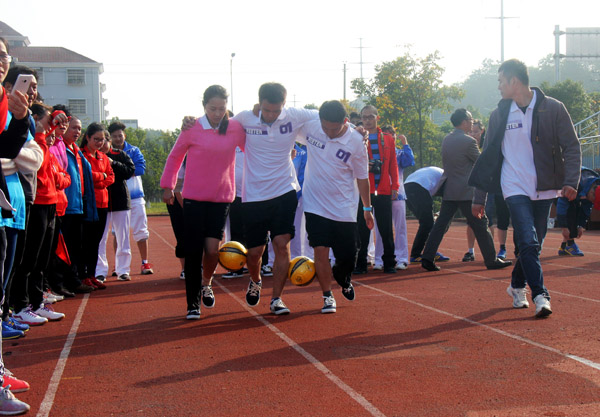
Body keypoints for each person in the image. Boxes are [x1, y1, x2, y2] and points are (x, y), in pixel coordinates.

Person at [469, 58, 581, 318]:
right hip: (513, 186)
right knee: (528, 241)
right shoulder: (499, 114)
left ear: (514, 81)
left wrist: (570, 181)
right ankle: (541, 295)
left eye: (501, 81)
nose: (499, 86)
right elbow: (489, 157)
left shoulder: (553, 108)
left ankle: (517, 285)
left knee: (534, 244)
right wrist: (479, 197)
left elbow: (572, 146)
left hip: (545, 187)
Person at [161, 85, 246, 320]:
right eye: (212, 108)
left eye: (221, 108)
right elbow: (175, 156)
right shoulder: (192, 127)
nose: (217, 113)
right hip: (194, 199)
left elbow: (254, 149)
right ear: (204, 107)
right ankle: (192, 303)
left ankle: (206, 282)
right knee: (193, 251)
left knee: (212, 251)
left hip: (221, 198)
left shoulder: (235, 128)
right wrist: (168, 185)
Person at [295, 100, 372, 313]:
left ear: (345, 121)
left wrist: (367, 209)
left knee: (348, 256)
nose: (328, 133)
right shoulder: (311, 127)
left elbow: (362, 178)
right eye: (325, 127)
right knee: (320, 250)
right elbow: (285, 122)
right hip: (315, 204)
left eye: (334, 129)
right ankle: (327, 296)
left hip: (344, 208)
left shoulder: (356, 141)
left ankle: (343, 277)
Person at [421, 108, 512, 272]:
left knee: (440, 225)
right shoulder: (469, 141)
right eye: (470, 120)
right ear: (463, 122)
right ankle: (491, 260)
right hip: (467, 191)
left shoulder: (447, 139)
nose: (472, 122)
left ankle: (427, 257)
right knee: (481, 224)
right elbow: (481, 163)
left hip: (450, 189)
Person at [0, 36, 32, 415]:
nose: (2, 60)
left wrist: (21, 118)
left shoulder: (5, 102)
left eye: (5, 55)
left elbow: (7, 150)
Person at [354, 105, 400, 274]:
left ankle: (389, 263)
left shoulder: (387, 139)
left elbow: (393, 164)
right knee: (362, 229)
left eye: (370, 117)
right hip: (363, 191)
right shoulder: (356, 137)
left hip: (383, 189)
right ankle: (360, 264)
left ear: (377, 118)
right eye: (364, 117)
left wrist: (395, 185)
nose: (367, 120)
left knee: (386, 229)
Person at [108, 122, 153, 275]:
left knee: (141, 230)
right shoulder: (107, 152)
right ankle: (118, 265)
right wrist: (126, 169)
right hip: (118, 197)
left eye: (120, 135)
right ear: (110, 138)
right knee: (118, 233)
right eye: (114, 136)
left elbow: (140, 169)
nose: (118, 138)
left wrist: (121, 169)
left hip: (135, 197)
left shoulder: (134, 150)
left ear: (124, 136)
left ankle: (145, 262)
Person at [463, 119, 511, 262]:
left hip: (492, 186)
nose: (473, 134)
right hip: (474, 187)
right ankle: (470, 251)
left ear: (482, 131)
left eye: (476, 132)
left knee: (488, 218)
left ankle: (494, 251)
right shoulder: (467, 144)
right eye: (471, 132)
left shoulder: (488, 144)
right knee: (472, 220)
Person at [373, 125, 414, 270]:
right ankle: (379, 259)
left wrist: (405, 144)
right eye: (386, 134)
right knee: (380, 229)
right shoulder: (376, 152)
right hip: (380, 194)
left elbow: (410, 161)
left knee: (400, 228)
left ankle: (402, 258)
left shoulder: (399, 153)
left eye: (392, 134)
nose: (390, 137)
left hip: (398, 194)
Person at [95, 132, 135, 281]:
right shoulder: (94, 156)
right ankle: (100, 271)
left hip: (121, 201)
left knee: (123, 237)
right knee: (100, 238)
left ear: (110, 141)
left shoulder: (120, 154)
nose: (102, 144)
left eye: (105, 141)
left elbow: (130, 171)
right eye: (99, 140)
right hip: (101, 202)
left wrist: (114, 163)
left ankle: (123, 270)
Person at [80, 123, 115, 289]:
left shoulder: (103, 156)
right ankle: (83, 275)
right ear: (87, 137)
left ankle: (92, 275)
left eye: (102, 139)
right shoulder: (82, 155)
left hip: (103, 203)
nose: (100, 142)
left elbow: (111, 177)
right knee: (86, 240)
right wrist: (101, 176)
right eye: (96, 139)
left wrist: (100, 180)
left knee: (96, 241)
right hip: (88, 203)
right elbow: (85, 176)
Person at [404, 166, 449, 263]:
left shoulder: (441, 173)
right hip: (419, 187)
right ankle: (417, 254)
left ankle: (429, 251)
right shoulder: (448, 178)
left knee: (427, 223)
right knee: (429, 224)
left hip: (407, 186)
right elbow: (447, 200)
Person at [556, 167, 599, 256]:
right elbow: (561, 205)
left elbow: (586, 209)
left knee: (577, 208)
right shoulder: (577, 183)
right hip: (557, 186)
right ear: (592, 193)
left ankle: (564, 247)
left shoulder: (593, 187)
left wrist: (581, 226)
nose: (593, 203)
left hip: (572, 188)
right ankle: (570, 245)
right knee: (571, 210)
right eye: (593, 201)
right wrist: (564, 227)